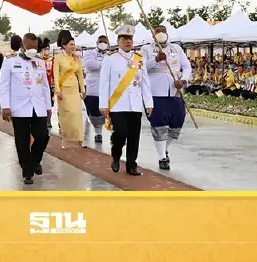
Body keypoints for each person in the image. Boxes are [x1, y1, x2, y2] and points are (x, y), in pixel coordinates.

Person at [99, 25, 153, 176]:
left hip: (135, 104)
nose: (128, 41)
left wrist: (148, 103)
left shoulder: (139, 59)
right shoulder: (110, 59)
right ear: (118, 40)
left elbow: (145, 83)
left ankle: (131, 165)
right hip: (118, 104)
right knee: (120, 134)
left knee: (134, 137)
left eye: (130, 38)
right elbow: (104, 83)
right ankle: (116, 156)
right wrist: (103, 104)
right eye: (124, 39)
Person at [0, 33, 52, 185]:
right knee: (22, 142)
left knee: (42, 136)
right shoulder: (10, 61)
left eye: (35, 47)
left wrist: (48, 106)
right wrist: (5, 107)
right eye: (30, 47)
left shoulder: (40, 61)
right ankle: (27, 172)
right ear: (22, 44)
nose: (33, 49)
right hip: (19, 108)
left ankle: (34, 161)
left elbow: (45, 86)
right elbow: (4, 85)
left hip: (38, 106)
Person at [139, 25, 191, 170]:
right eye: (158, 31)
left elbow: (186, 67)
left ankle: (165, 147)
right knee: (159, 125)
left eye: (163, 31)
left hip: (175, 91)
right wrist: (155, 59)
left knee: (177, 124)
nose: (161, 33)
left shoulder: (176, 48)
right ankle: (162, 156)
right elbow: (141, 67)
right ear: (153, 34)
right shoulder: (146, 49)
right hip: (156, 93)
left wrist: (184, 80)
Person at [52, 32, 86, 149]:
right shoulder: (58, 58)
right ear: (64, 45)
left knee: (77, 114)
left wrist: (82, 89)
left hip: (74, 89)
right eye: (71, 44)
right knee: (66, 115)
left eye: (74, 44)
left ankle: (80, 138)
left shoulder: (76, 58)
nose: (73, 47)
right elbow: (55, 75)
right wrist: (57, 90)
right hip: (64, 90)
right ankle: (65, 139)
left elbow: (80, 75)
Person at [82, 34, 109, 143]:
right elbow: (90, 65)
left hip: (108, 87)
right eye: (100, 41)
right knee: (95, 112)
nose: (103, 43)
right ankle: (98, 133)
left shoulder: (111, 54)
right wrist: (107, 64)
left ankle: (114, 133)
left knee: (110, 112)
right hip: (93, 87)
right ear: (97, 43)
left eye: (105, 41)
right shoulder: (90, 53)